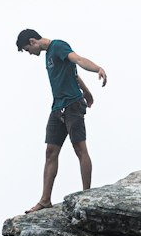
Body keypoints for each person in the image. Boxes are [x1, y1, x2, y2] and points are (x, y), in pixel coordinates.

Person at [15, 29, 108, 213]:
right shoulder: (47, 55)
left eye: (27, 50)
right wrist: (88, 92)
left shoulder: (58, 46)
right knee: (50, 152)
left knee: (80, 149)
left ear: (33, 41)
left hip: (73, 105)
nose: (30, 54)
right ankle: (45, 200)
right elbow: (71, 74)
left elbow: (78, 60)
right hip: (57, 108)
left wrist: (98, 68)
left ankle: (86, 196)